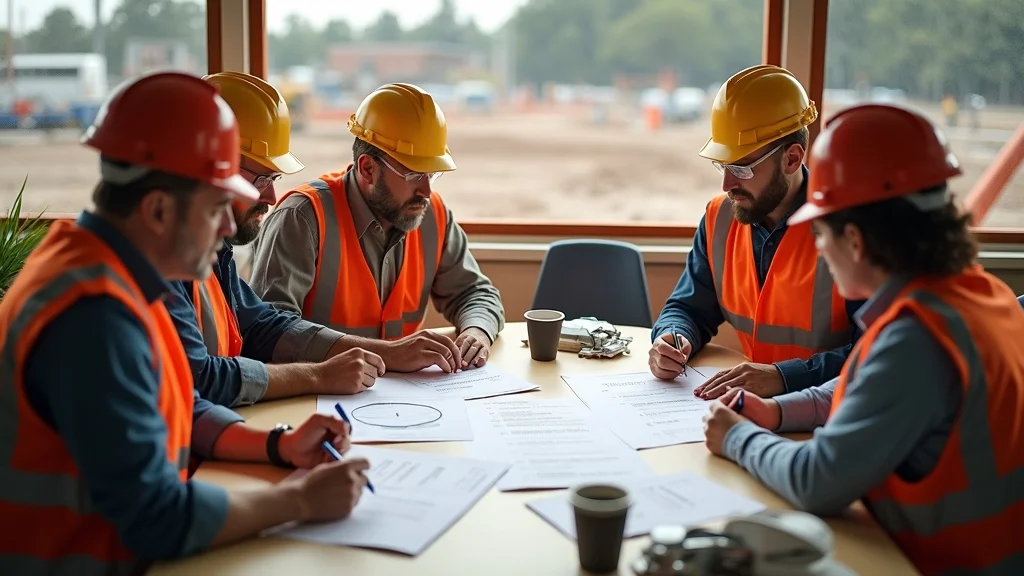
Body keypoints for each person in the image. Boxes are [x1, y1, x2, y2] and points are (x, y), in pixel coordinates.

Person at [0, 72, 371, 573]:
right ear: (157, 210)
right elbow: (158, 519)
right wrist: (301, 501)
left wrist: (278, 444)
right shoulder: (94, 316)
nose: (227, 226)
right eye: (217, 208)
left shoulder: (120, 274)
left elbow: (177, 402)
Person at [702, 103, 1024, 575]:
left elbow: (816, 481)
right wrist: (779, 411)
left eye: (820, 232)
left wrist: (737, 438)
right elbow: (868, 386)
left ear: (854, 240)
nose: (817, 247)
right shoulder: (978, 294)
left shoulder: (916, 340)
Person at [163, 71, 392, 408]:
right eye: (260, 179)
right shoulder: (159, 264)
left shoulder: (213, 251)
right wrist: (317, 376)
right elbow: (199, 378)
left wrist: (389, 352)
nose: (271, 198)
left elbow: (263, 326)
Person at [250, 82, 505, 370]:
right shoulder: (303, 218)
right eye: (414, 175)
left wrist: (476, 332)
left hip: (406, 392)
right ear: (368, 168)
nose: (426, 191)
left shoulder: (432, 214)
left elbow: (475, 293)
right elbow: (271, 334)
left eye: (432, 175)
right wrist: (389, 354)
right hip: (318, 392)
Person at [649, 64, 862, 399]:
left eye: (742, 167)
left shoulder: (851, 231)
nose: (727, 184)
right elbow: (688, 308)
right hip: (753, 409)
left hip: (833, 412)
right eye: (723, 165)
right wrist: (673, 337)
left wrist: (785, 378)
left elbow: (876, 351)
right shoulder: (719, 219)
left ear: (792, 159)